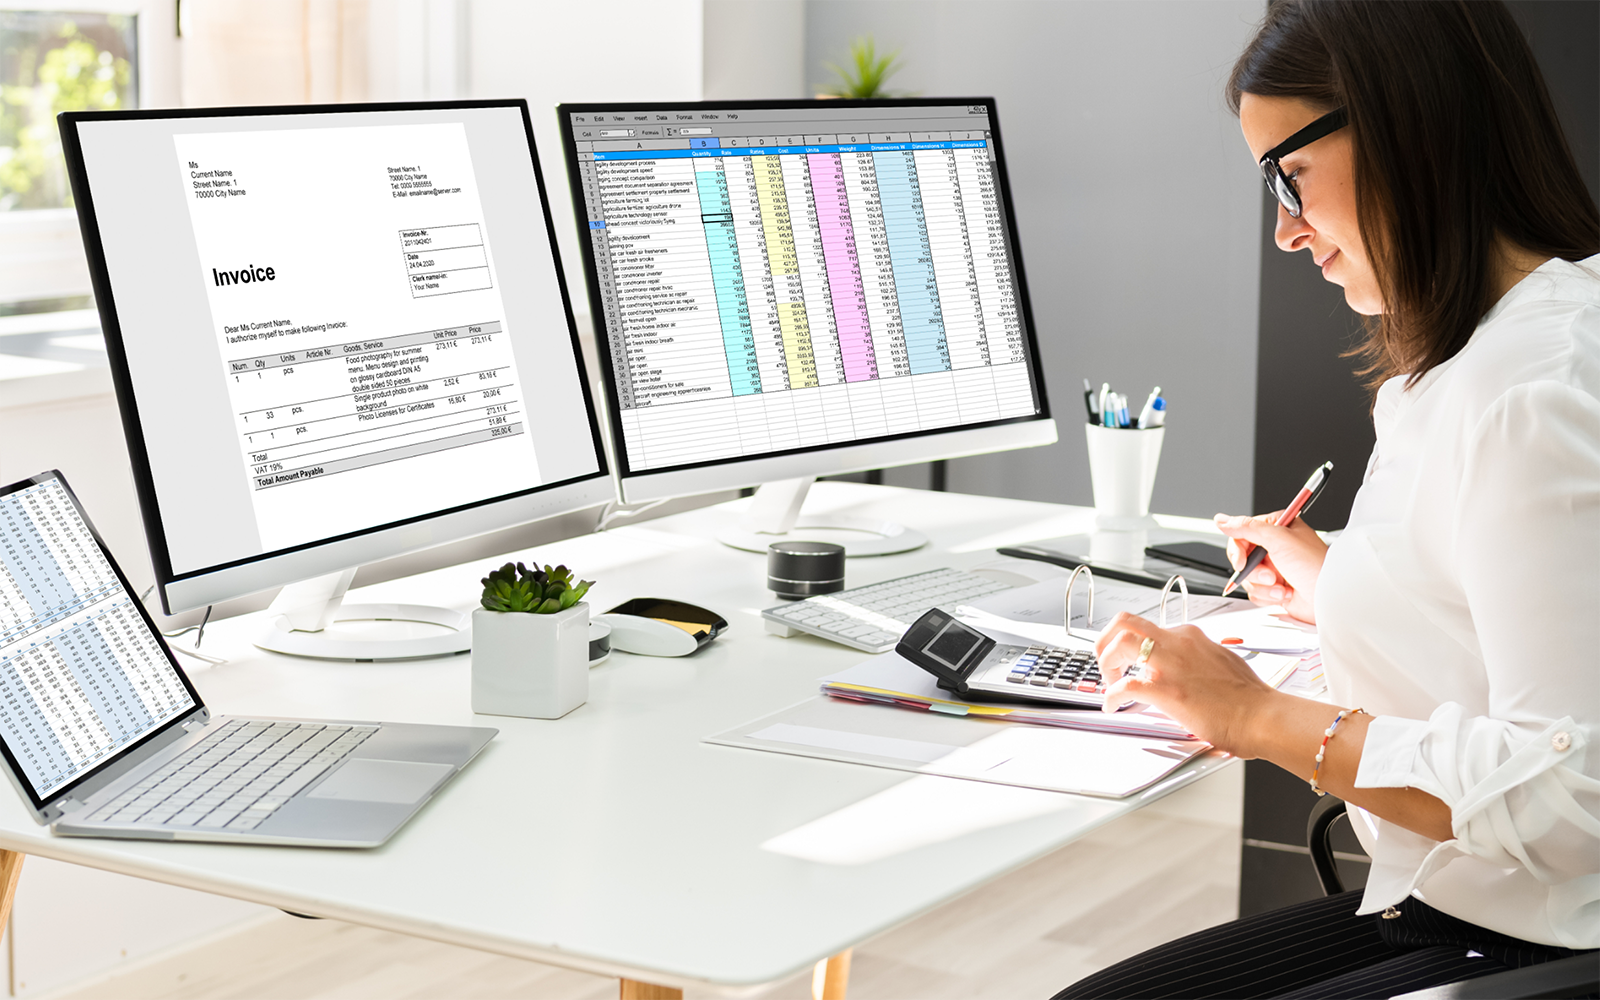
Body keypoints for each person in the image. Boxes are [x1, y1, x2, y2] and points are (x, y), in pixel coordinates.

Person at [1052, 1, 1600, 998]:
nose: (1284, 231)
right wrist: (1353, 579)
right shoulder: (1528, 333)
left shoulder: (1532, 392)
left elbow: (1573, 797)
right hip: (1470, 908)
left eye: (1288, 175)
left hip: (1533, 935)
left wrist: (1251, 713)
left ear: (1406, 129)